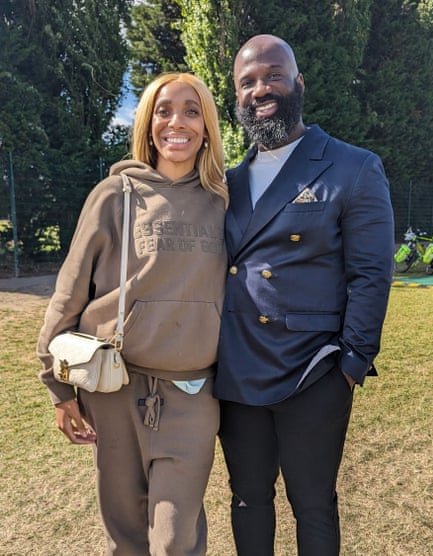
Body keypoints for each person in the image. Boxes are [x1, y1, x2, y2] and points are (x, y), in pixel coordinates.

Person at [214, 34, 394, 555]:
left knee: (313, 502)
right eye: (246, 82)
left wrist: (352, 363)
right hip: (237, 371)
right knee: (247, 498)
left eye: (272, 74)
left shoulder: (352, 167)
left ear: (298, 82)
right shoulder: (226, 182)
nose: (260, 88)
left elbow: (371, 274)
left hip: (314, 372)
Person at [37, 72, 228, 556]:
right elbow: (70, 292)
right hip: (113, 389)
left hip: (192, 395)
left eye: (191, 110)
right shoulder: (114, 194)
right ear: (147, 123)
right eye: (163, 110)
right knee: (125, 537)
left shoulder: (226, 201)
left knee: (174, 540)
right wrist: (58, 388)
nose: (176, 122)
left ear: (206, 125)